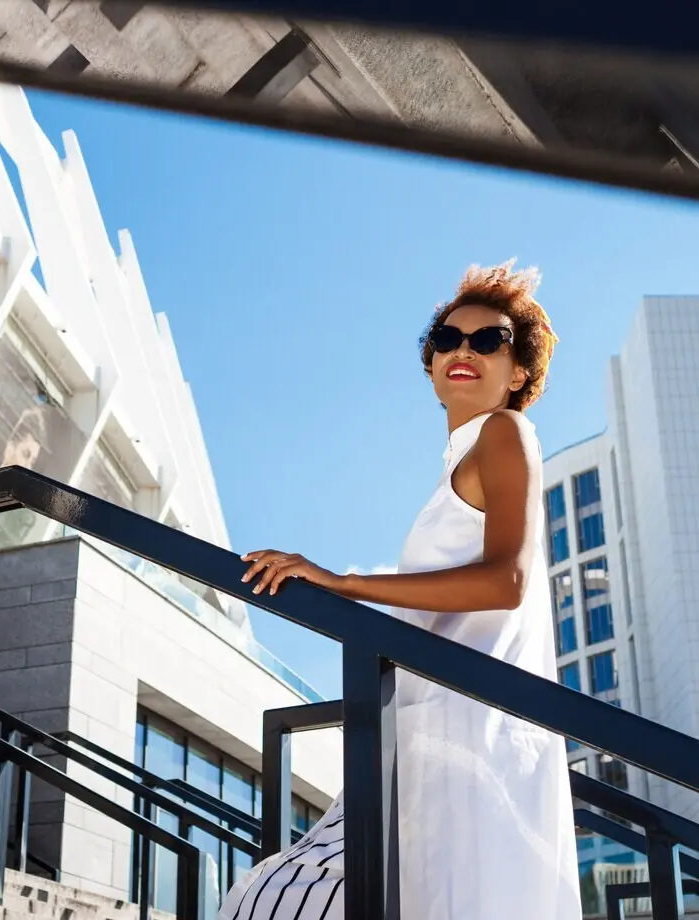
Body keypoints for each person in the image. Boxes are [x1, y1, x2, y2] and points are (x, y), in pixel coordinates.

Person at [217, 262, 581, 920]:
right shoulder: (458, 466)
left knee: (276, 901)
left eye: (488, 341)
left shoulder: (505, 432)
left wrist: (340, 582)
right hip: (431, 735)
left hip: (469, 739)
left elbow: (508, 579)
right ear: (432, 363)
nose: (462, 351)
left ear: (520, 372)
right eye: (447, 339)